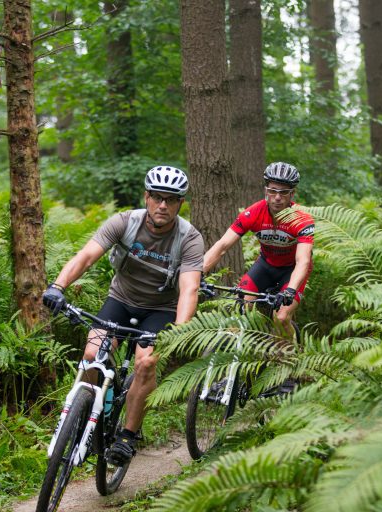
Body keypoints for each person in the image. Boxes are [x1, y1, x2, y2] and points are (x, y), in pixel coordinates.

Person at [42, 165, 204, 465]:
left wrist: (181, 329)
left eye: (171, 199)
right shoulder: (124, 222)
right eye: (157, 197)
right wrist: (58, 286)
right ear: (147, 197)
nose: (163, 205)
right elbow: (86, 256)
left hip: (161, 309)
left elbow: (189, 289)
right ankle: (87, 418)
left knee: (146, 363)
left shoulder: (189, 238)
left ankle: (128, 435)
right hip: (122, 300)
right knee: (92, 354)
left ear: (181, 203)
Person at [202, 162, 314, 335]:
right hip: (266, 265)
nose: (277, 197)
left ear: (292, 193)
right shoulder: (253, 213)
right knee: (243, 310)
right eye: (272, 191)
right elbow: (222, 245)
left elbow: (303, 261)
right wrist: (198, 273)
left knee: (282, 318)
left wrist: (291, 289)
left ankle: (290, 355)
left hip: (291, 271)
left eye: (283, 192)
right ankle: (251, 350)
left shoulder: (302, 219)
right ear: (265, 190)